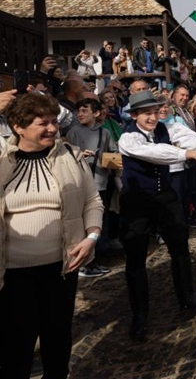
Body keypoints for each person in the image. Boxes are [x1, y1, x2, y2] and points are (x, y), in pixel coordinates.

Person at [0, 93, 103, 379]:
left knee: (57, 341)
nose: (51, 129)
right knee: (16, 347)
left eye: (53, 122)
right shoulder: (0, 161)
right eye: (42, 123)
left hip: (61, 267)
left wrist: (91, 237)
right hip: (12, 274)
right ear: (18, 127)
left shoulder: (69, 156)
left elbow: (92, 201)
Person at [117, 91, 196, 341]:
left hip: (165, 196)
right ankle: (140, 314)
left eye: (155, 112)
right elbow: (156, 153)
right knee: (136, 259)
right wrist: (187, 155)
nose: (153, 117)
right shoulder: (128, 137)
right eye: (147, 113)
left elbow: (186, 136)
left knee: (180, 248)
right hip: (137, 202)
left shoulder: (166, 128)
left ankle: (187, 297)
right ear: (134, 115)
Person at [66, 97, 118, 277]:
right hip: (80, 182)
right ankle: (85, 262)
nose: (80, 114)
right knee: (82, 221)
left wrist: (109, 159)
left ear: (96, 113)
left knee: (99, 218)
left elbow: (113, 152)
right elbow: (66, 154)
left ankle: (99, 253)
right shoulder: (73, 132)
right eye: (78, 111)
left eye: (84, 111)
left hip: (100, 181)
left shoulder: (105, 133)